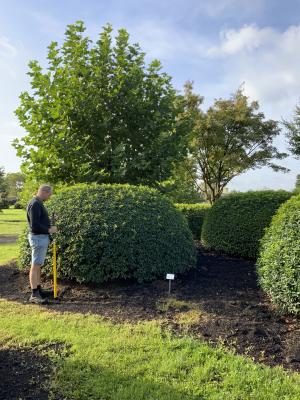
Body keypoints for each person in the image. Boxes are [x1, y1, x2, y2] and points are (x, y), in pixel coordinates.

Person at [26, 184, 58, 304]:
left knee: (38, 264)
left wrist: (48, 225)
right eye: (49, 194)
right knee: (35, 265)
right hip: (38, 238)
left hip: (40, 237)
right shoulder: (35, 204)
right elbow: (34, 225)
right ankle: (34, 294)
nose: (49, 197)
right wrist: (49, 230)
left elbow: (39, 222)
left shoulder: (37, 203)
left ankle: (38, 289)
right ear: (44, 192)